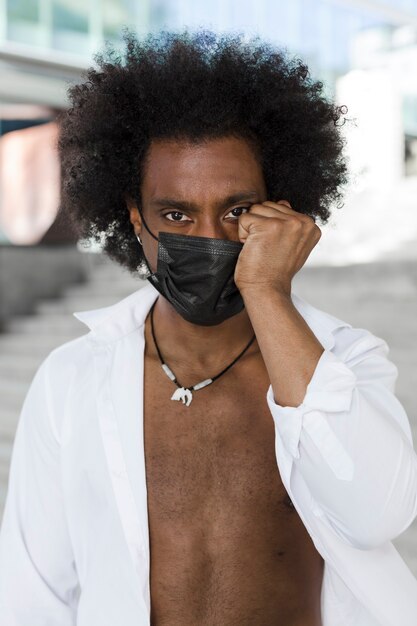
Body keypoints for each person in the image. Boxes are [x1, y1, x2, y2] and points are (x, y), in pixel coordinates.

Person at [0, 29, 417, 626]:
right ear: (135, 217)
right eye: (176, 214)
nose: (210, 240)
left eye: (238, 212)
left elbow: (377, 514)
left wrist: (268, 293)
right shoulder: (70, 380)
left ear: (284, 210)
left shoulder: (344, 364)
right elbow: (32, 595)